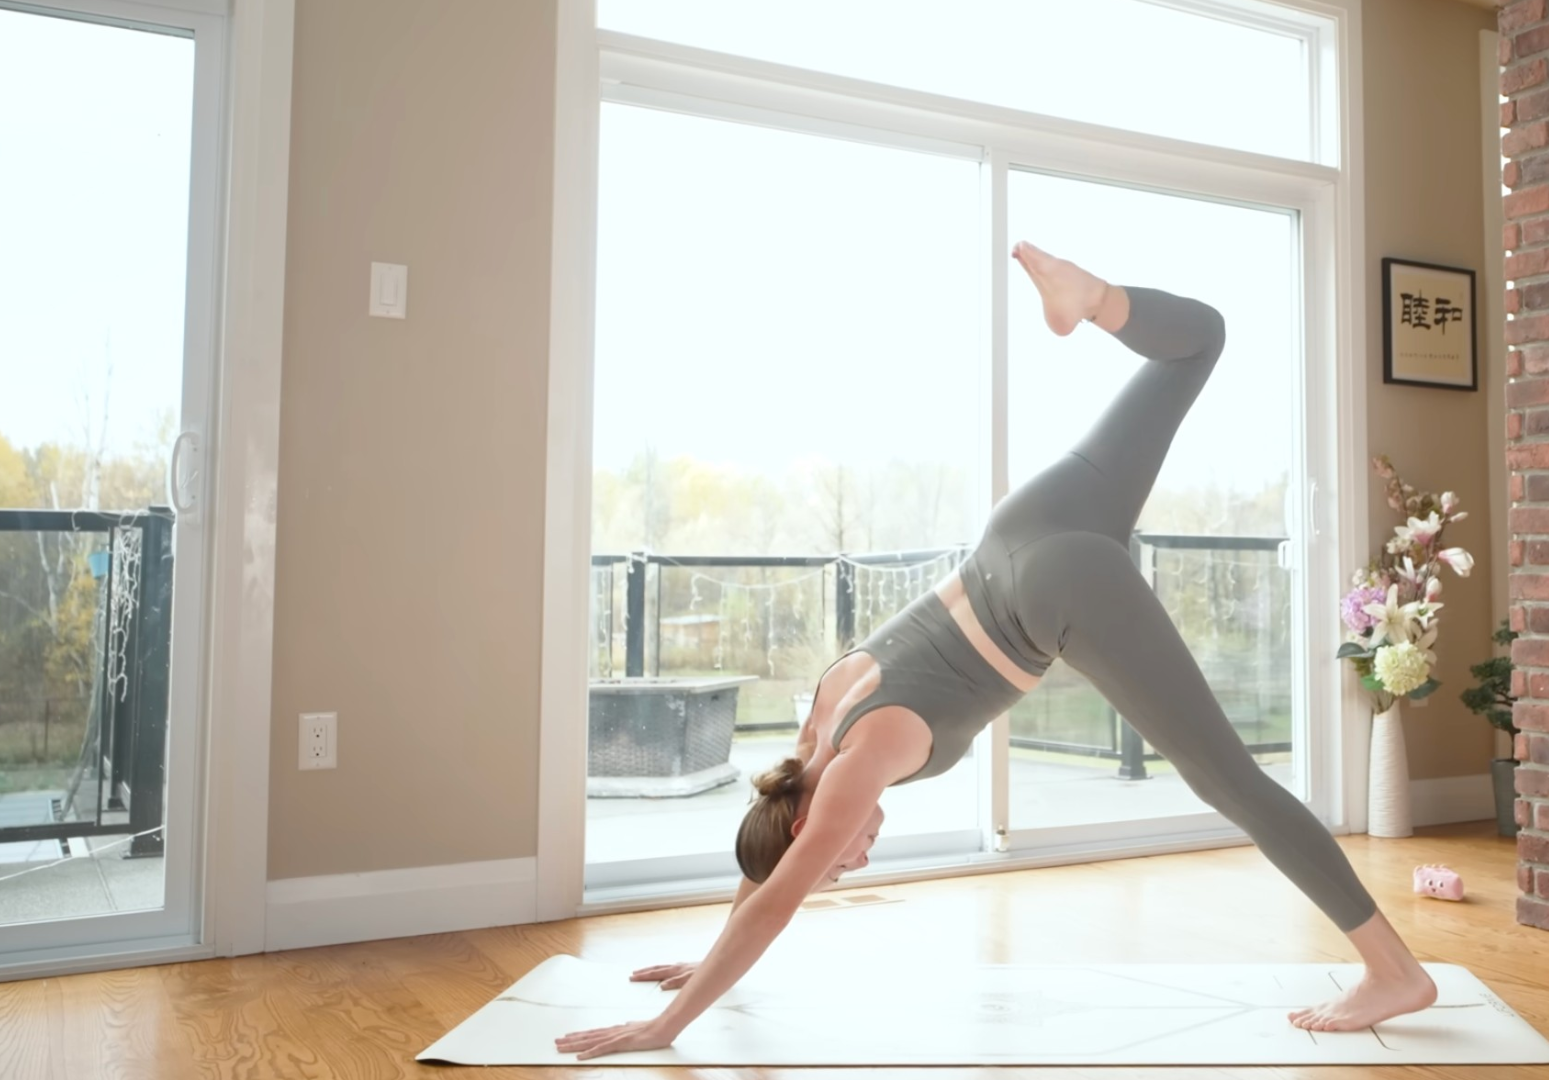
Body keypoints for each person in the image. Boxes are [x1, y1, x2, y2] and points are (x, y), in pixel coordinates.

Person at [557, 242, 1438, 1061]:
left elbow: (780, 893)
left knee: (1230, 782)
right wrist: (706, 959)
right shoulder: (819, 723)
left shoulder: (856, 766)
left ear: (804, 823)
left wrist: (669, 1024)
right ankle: (1094, 300)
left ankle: (1395, 972)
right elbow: (772, 867)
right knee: (1198, 341)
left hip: (1050, 591)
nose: (852, 858)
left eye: (839, 857)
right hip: (1020, 529)